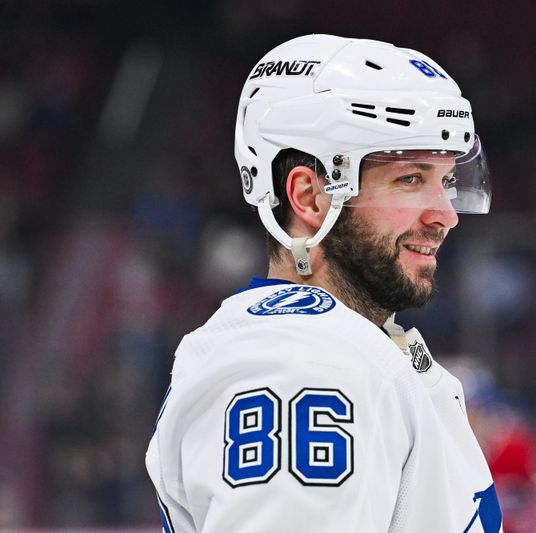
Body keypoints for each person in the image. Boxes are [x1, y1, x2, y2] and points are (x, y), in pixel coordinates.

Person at [145, 34, 501, 532]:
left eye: (444, 180)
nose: (445, 215)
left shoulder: (337, 349)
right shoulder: (303, 366)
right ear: (310, 197)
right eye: (409, 180)